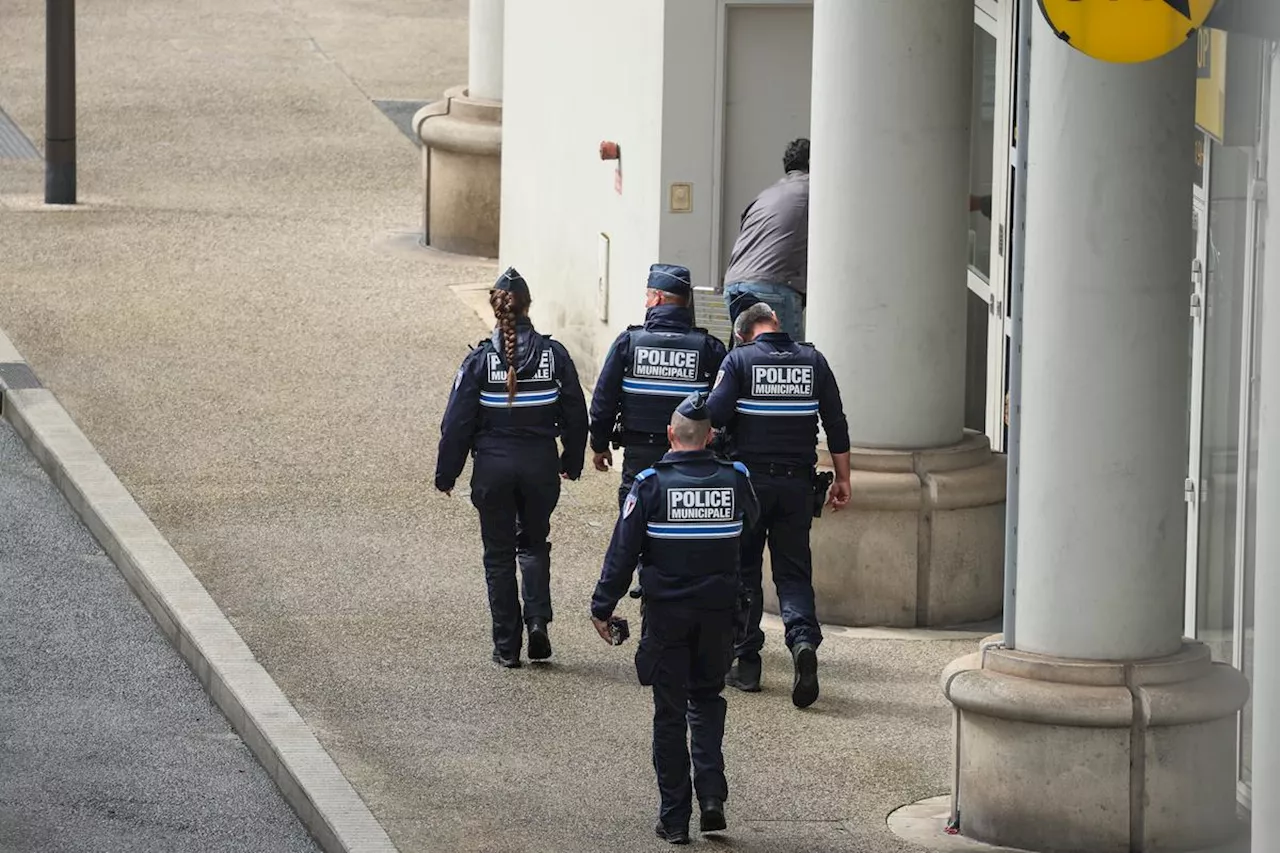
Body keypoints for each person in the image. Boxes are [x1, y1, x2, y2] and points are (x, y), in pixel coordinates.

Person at [590, 391, 759, 845]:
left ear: (671, 435)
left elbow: (621, 553)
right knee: (706, 701)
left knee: (669, 716)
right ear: (711, 436)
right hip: (719, 615)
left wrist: (602, 606)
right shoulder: (736, 479)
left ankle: (675, 819)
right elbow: (751, 532)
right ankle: (711, 798)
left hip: (667, 617)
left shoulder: (649, 485)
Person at [435, 267, 588, 668]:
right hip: (539, 466)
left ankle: (507, 647)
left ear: (496, 306)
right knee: (534, 544)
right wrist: (571, 461)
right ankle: (538, 621)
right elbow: (576, 413)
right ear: (528, 307)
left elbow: (457, 423)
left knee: (498, 557)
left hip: (493, 469)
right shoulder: (555, 357)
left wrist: (446, 474)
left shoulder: (480, 360)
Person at [705, 300, 851, 708]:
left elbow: (713, 414)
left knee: (744, 570)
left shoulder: (739, 361)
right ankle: (803, 641)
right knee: (793, 575)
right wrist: (844, 479)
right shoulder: (814, 361)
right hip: (797, 489)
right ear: (775, 324)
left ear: (743, 333)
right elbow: (836, 424)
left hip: (748, 485)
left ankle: (747, 663)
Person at [589, 262, 728, 523]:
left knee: (637, 528)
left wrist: (599, 444)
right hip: (693, 459)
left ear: (659, 298)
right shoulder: (709, 348)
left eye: (647, 296)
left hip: (640, 454)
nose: (645, 303)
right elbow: (725, 405)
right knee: (682, 530)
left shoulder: (628, 343)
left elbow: (603, 401)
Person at [721, 138, 810, 341]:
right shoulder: (816, 191)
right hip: (772, 286)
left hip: (735, 284)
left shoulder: (767, 194)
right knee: (784, 366)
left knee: (748, 362)